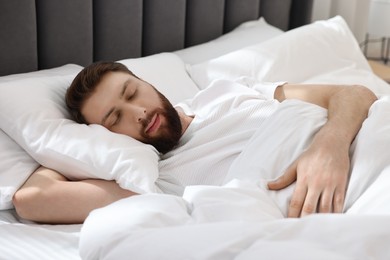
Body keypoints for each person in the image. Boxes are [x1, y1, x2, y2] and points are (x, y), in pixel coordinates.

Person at [12, 61, 377, 224]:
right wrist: (69, 143)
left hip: (357, 144)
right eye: (114, 118)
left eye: (131, 93)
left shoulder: (229, 92)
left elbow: (354, 93)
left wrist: (329, 146)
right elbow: (31, 202)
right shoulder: (149, 179)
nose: (136, 112)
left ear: (146, 81)